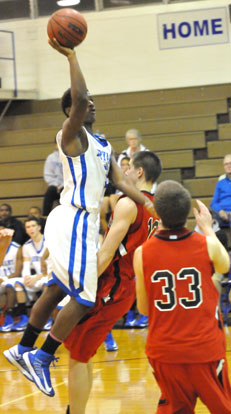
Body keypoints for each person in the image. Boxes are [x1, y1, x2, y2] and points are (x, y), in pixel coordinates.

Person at [3, 38, 155, 397]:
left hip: (85, 224)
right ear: (73, 109)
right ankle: (41, 357)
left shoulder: (103, 144)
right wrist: (72, 55)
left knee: (57, 287)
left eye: (94, 103)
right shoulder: (70, 136)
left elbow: (119, 181)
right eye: (86, 103)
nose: (93, 105)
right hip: (71, 218)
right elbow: (81, 96)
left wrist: (152, 205)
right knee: (85, 298)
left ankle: (22, 348)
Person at [64, 149, 161, 413]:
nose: (124, 173)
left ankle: (76, 411)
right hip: (126, 285)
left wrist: (81, 286)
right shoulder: (156, 209)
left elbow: (106, 253)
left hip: (111, 286)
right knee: (81, 353)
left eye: (128, 168)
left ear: (139, 172)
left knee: (77, 353)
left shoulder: (129, 204)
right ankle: (77, 408)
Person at [134, 180, 231, 414]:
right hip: (205, 350)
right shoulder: (207, 245)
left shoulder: (141, 253)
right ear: (188, 212)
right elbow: (225, 265)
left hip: (165, 353)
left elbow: (144, 310)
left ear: (157, 212)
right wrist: (207, 227)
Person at [0, 227, 23, 332]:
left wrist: (4, 279)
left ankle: (9, 317)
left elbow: (18, 271)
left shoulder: (16, 248)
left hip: (12, 279)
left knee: (9, 285)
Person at [42, 139, 64, 217]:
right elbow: (48, 174)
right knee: (49, 192)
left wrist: (63, 185)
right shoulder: (51, 158)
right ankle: (45, 217)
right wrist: (56, 185)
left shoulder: (72, 157)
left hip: (68, 186)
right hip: (55, 186)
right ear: (56, 145)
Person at [210, 154, 231, 227]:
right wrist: (220, 211)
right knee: (208, 221)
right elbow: (213, 202)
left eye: (230, 163)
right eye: (226, 164)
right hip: (221, 214)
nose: (228, 166)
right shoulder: (220, 183)